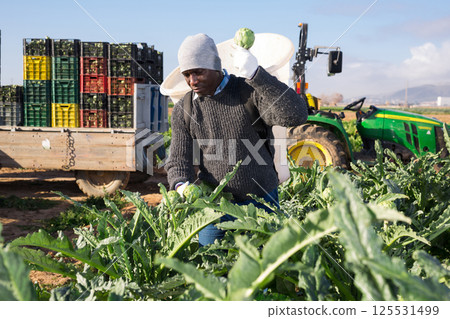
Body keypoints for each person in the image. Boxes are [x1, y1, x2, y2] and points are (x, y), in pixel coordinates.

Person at [165, 33, 308, 246]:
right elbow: (178, 159)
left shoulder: (249, 92)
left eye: (198, 72)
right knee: (210, 269)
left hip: (261, 201)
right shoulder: (184, 109)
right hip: (215, 207)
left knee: (264, 269)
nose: (192, 81)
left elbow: (295, 115)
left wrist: (257, 74)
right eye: (187, 74)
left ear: (214, 66)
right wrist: (181, 185)